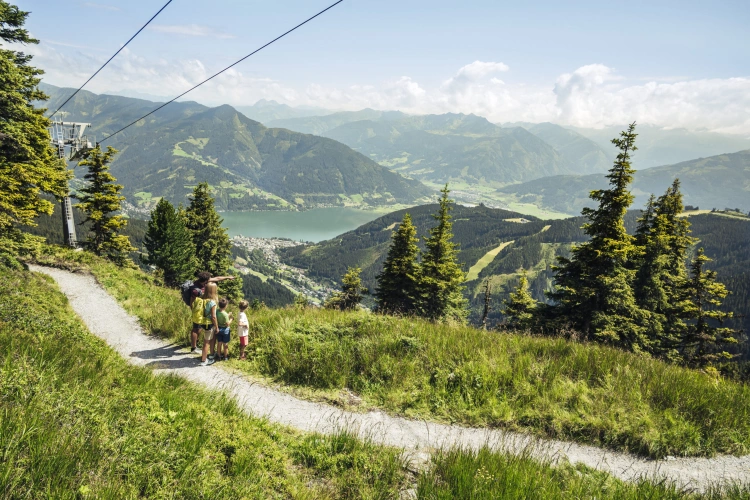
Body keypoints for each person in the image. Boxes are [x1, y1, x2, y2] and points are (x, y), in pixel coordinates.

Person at [188, 271, 234, 353]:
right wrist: (193, 310)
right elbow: (192, 301)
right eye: (209, 279)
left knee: (200, 329)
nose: (211, 280)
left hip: (205, 311)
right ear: (205, 281)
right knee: (196, 329)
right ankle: (193, 348)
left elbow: (217, 278)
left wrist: (227, 277)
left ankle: (197, 344)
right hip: (199, 311)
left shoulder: (201, 281)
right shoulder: (195, 289)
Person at [200, 283, 220, 366]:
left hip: (202, 322)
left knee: (211, 338)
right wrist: (216, 327)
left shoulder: (202, 299)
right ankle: (204, 360)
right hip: (209, 324)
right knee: (206, 342)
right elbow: (213, 317)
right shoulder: (212, 302)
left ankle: (211, 354)